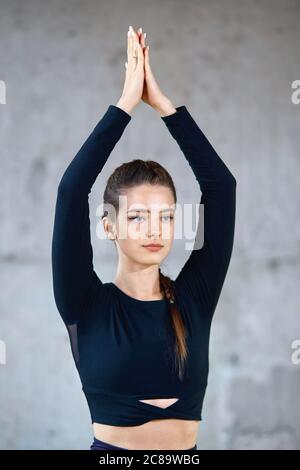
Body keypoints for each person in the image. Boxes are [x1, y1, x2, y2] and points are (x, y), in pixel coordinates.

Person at [51, 25, 236, 451]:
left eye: (166, 217)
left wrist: (168, 108)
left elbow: (221, 188)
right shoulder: (84, 302)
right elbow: (71, 192)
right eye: (136, 217)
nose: (154, 229)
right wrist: (126, 105)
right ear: (109, 225)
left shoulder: (195, 297)